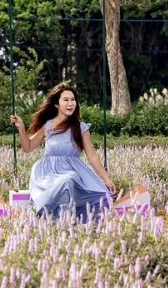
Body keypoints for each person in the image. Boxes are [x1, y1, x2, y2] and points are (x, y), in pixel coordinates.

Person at [9, 83, 116, 221]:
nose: (70, 103)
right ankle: (59, 222)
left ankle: (72, 224)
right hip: (47, 174)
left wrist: (107, 179)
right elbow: (28, 147)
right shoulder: (48, 126)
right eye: (65, 100)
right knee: (67, 180)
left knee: (95, 192)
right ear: (56, 104)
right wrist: (21, 128)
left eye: (73, 100)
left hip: (73, 172)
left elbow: (93, 157)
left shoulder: (80, 127)